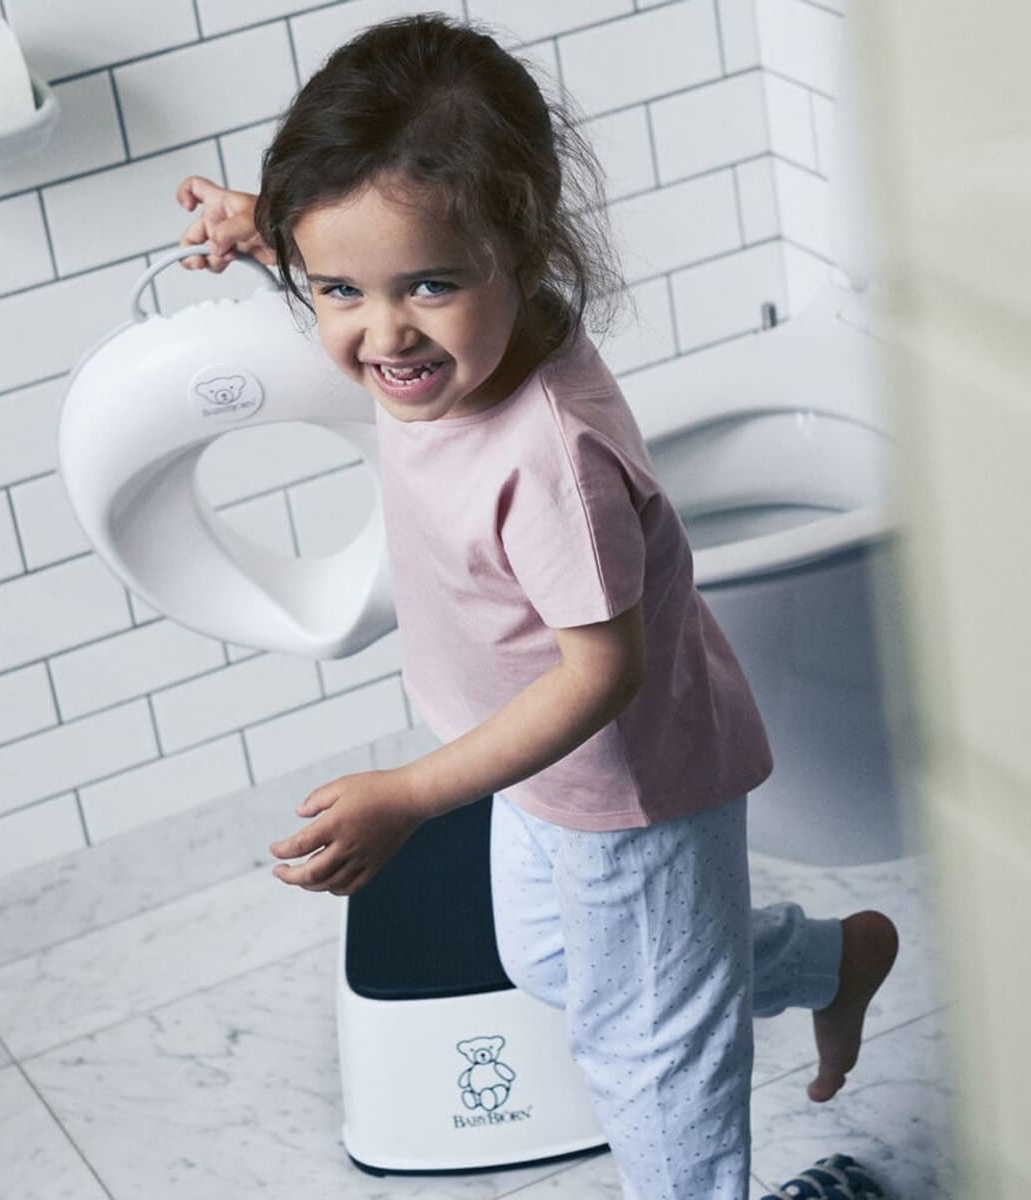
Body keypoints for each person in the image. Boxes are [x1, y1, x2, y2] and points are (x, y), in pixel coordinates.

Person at [175, 15, 898, 1199]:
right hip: (531, 764)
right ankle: (830, 961)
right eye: (338, 288)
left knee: (653, 1056)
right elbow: (381, 254)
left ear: (517, 249)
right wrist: (276, 227)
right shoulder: (457, 333)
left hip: (630, 790)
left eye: (428, 285)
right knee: (557, 962)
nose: (383, 333)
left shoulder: (550, 460)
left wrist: (413, 796)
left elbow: (601, 671)